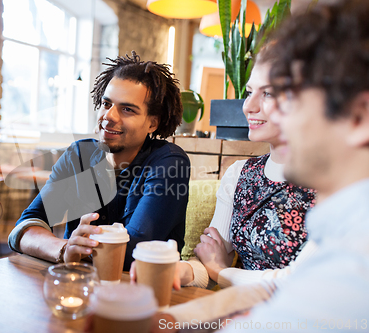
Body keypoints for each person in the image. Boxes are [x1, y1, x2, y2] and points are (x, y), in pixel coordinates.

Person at [150, 0, 369, 331]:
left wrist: (219, 274)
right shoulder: (340, 220)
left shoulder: (355, 251)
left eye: (285, 96)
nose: (259, 110)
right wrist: (171, 318)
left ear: (358, 117)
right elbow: (278, 291)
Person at [131, 49, 317, 291]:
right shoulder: (240, 173)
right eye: (249, 93)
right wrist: (177, 271)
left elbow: (299, 283)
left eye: (268, 93)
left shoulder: (335, 183)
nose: (248, 106)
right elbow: (208, 261)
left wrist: (222, 271)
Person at [8, 52, 190, 270]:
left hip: (142, 293)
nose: (109, 116)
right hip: (75, 288)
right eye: (106, 103)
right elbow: (24, 228)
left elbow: (132, 252)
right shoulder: (78, 155)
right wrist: (65, 249)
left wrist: (78, 250)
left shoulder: (169, 162)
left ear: (152, 123)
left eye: (127, 109)